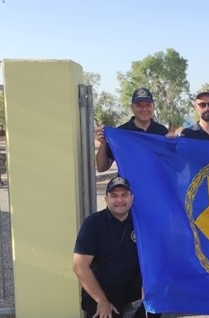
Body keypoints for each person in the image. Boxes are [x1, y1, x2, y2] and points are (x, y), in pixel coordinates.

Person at [73, 177, 160, 318]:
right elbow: (80, 266)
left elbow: (157, 257)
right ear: (106, 199)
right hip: (104, 302)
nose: (120, 200)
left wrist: (150, 285)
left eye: (124, 195)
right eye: (114, 196)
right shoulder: (93, 224)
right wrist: (101, 301)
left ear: (132, 197)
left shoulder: (143, 223)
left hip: (136, 301)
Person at [94, 87, 169, 172]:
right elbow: (101, 168)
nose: (144, 109)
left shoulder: (162, 132)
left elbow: (174, 165)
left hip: (156, 184)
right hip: (129, 185)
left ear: (153, 107)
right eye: (139, 105)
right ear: (131, 107)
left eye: (148, 105)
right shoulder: (121, 133)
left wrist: (174, 143)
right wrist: (103, 144)